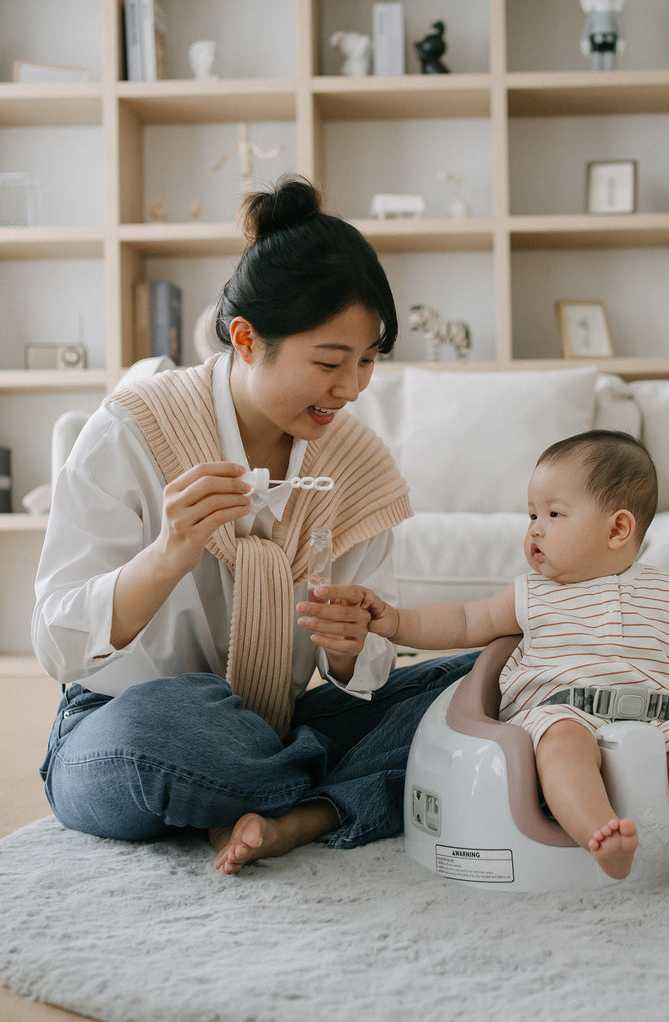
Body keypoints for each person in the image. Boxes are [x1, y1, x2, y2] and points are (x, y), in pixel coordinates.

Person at [32, 175, 475, 874]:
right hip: (128, 726)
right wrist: (169, 552)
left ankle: (261, 801)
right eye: (329, 362)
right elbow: (56, 642)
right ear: (245, 339)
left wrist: (348, 648)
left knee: (488, 677)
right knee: (167, 728)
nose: (351, 388)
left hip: (281, 720)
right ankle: (334, 792)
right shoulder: (132, 430)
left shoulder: (357, 467)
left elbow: (366, 673)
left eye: (367, 362)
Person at [358, 430, 669, 888]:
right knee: (563, 748)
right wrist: (396, 622)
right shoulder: (532, 594)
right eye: (532, 514)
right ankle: (600, 834)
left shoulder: (667, 593)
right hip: (564, 713)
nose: (535, 528)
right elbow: (464, 620)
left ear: (617, 529)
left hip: (661, 721)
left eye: (553, 514)